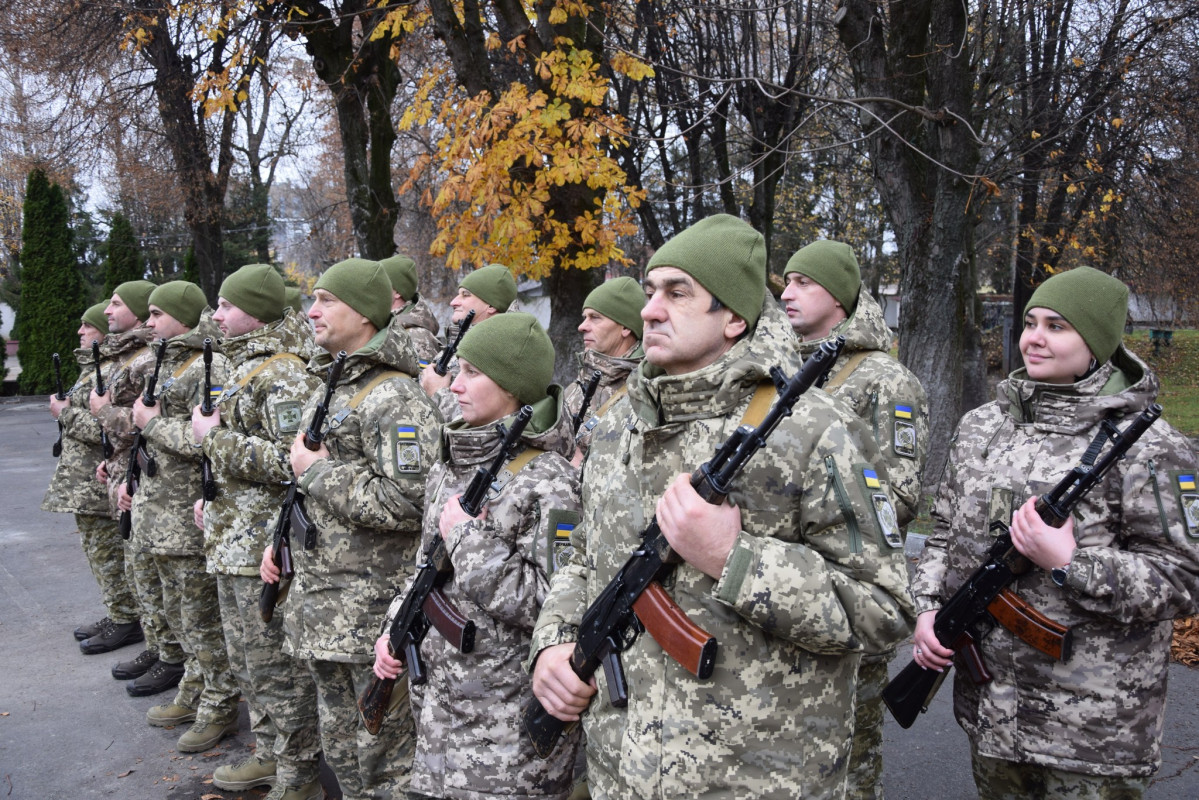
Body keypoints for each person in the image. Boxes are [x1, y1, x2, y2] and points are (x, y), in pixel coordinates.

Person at [529, 214, 916, 800]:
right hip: (621, 769)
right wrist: (555, 640)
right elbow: (584, 558)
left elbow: (884, 608)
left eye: (678, 292)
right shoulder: (618, 429)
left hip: (756, 778)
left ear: (734, 317)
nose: (651, 309)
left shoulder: (814, 430)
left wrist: (736, 559)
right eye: (651, 290)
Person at [911, 266, 1199, 800]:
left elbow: (1184, 580)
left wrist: (1070, 561)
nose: (1034, 338)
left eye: (1058, 326)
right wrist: (928, 608)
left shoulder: (1153, 447)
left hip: (1095, 733)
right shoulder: (983, 425)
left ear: (1097, 343)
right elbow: (944, 531)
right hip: (992, 714)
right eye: (1030, 322)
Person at [373, 312, 583, 800]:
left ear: (512, 388)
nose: (455, 385)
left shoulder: (549, 480)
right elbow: (426, 570)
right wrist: (392, 629)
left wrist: (468, 538)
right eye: (457, 370)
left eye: (472, 373)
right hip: (440, 708)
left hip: (505, 729)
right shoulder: (452, 464)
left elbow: (553, 604)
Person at [264, 258, 441, 800]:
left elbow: (411, 502)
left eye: (325, 300)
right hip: (323, 606)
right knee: (343, 756)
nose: (311, 311)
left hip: (369, 615)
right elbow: (302, 485)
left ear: (363, 314)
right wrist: (279, 542)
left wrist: (317, 473)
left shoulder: (395, 396)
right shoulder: (333, 379)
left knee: (386, 765)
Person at [782, 240, 930, 799]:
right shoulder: (787, 370)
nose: (788, 294)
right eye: (786, 284)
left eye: (804, 283)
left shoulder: (883, 381)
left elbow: (897, 497)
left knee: (848, 761)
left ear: (840, 299)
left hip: (848, 590)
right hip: (784, 589)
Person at [192, 264, 323, 800]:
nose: (216, 315)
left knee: (277, 671)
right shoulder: (247, 365)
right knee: (249, 663)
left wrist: (213, 442)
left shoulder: (285, 372)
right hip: (232, 538)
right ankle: (268, 755)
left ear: (257, 311)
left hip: (261, 545)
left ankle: (299, 775)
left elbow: (294, 461)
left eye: (226, 305)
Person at [112, 281, 243, 752]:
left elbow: (205, 440)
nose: (148, 322)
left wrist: (154, 424)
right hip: (156, 512)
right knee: (177, 615)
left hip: (185, 517)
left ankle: (220, 702)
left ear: (183, 317)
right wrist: (131, 480)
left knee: (201, 619)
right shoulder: (165, 359)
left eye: (156, 313)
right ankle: (194, 685)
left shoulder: (210, 364)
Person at [43, 304, 141, 651]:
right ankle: (118, 611)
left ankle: (127, 617)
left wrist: (67, 413)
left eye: (88, 325)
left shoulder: (116, 369)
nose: (81, 332)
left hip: (97, 479)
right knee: (99, 553)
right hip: (85, 478)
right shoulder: (96, 368)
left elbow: (108, 428)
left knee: (110, 553)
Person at [85, 280, 164, 665]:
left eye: (116, 304)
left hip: (144, 481)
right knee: (137, 571)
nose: (106, 311)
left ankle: (166, 652)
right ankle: (157, 646)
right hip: (124, 474)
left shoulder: (148, 358)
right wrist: (113, 459)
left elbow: (143, 424)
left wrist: (101, 412)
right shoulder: (128, 356)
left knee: (148, 573)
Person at [419, 262, 517, 419]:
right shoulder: (465, 340)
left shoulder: (502, 349)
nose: (453, 302)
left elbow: (483, 421)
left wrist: (437, 393)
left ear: (491, 305)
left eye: (465, 295)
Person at [563, 276, 645, 461]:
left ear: (625, 327)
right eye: (585, 318)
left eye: (595, 318)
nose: (582, 326)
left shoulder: (646, 390)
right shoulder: (577, 385)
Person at [380, 253, 441, 364]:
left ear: (397, 292)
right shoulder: (384, 324)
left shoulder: (417, 337)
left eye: (379, 283)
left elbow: (424, 380)